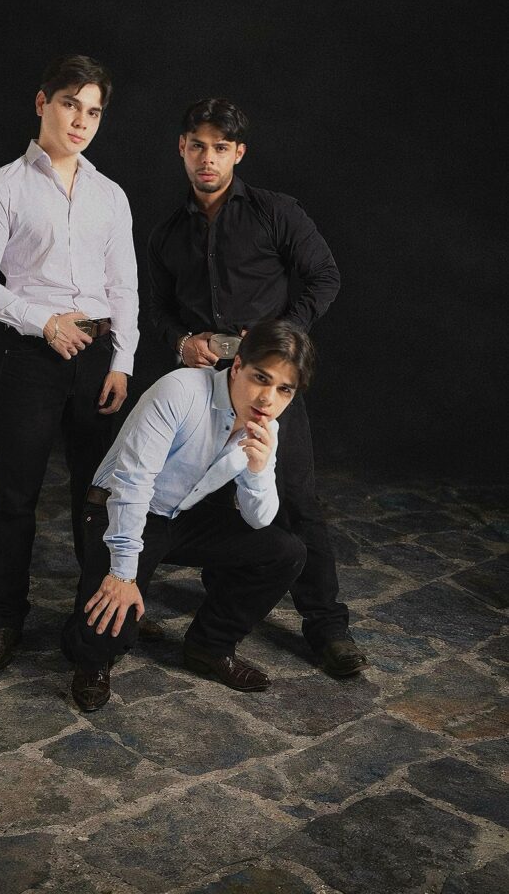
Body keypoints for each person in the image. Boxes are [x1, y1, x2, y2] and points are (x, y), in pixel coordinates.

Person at [147, 97, 367, 678]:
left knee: (296, 501)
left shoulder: (275, 212)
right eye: (198, 146)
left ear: (238, 153)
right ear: (182, 148)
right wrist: (181, 342)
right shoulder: (168, 231)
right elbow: (157, 308)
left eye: (220, 148)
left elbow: (325, 276)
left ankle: (327, 628)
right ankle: (220, 621)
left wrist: (278, 339)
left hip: (267, 380)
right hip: (203, 386)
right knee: (212, 498)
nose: (208, 158)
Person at [0, 54, 139, 672]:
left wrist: (123, 362)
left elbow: (124, 286)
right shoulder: (1, 185)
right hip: (34, 356)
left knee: (99, 494)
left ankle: (97, 616)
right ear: (42, 103)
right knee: (16, 493)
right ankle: (2, 620)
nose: (81, 121)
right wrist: (44, 322)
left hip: (98, 358)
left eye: (94, 111)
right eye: (70, 104)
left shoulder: (110, 195)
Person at [61, 320, 311, 711]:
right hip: (119, 506)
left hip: (180, 513)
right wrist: (122, 575)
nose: (268, 399)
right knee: (113, 633)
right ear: (237, 366)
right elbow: (132, 483)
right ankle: (90, 655)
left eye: (284, 389)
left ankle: (209, 647)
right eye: (261, 378)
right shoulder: (180, 390)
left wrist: (258, 472)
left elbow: (259, 520)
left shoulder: (267, 428)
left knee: (285, 551)